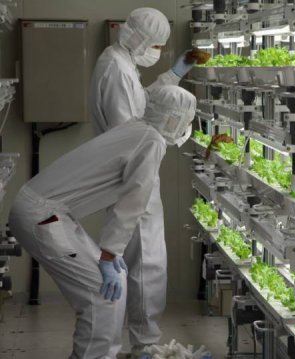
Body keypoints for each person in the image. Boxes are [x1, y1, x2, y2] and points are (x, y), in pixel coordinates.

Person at [9, 85, 197, 359]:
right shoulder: (152, 140)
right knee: (101, 294)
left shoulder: (138, 128)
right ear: (175, 119)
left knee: (114, 281)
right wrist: (110, 253)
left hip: (51, 216)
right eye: (187, 121)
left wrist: (111, 254)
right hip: (44, 219)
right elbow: (134, 200)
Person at [89, 8, 208, 356]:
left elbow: (141, 103)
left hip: (134, 172)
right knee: (147, 265)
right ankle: (145, 346)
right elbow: (132, 133)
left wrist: (173, 74)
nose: (156, 50)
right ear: (138, 38)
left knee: (148, 262)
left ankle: (145, 340)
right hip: (130, 175)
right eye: (155, 44)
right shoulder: (114, 68)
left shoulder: (121, 62)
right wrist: (174, 131)